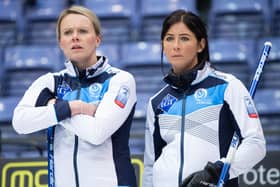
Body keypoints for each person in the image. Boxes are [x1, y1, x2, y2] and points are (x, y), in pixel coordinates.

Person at [12, 5, 137, 187]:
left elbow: (97, 132)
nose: (75, 37)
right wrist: (73, 108)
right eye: (68, 32)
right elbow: (20, 122)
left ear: (97, 39)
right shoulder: (50, 82)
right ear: (61, 42)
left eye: (83, 31)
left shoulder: (120, 80)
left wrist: (53, 106)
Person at [142, 9, 266, 187]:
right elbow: (150, 165)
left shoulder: (227, 87)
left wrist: (214, 172)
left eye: (184, 38)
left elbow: (256, 144)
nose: (175, 45)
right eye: (169, 38)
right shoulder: (157, 101)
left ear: (201, 45)